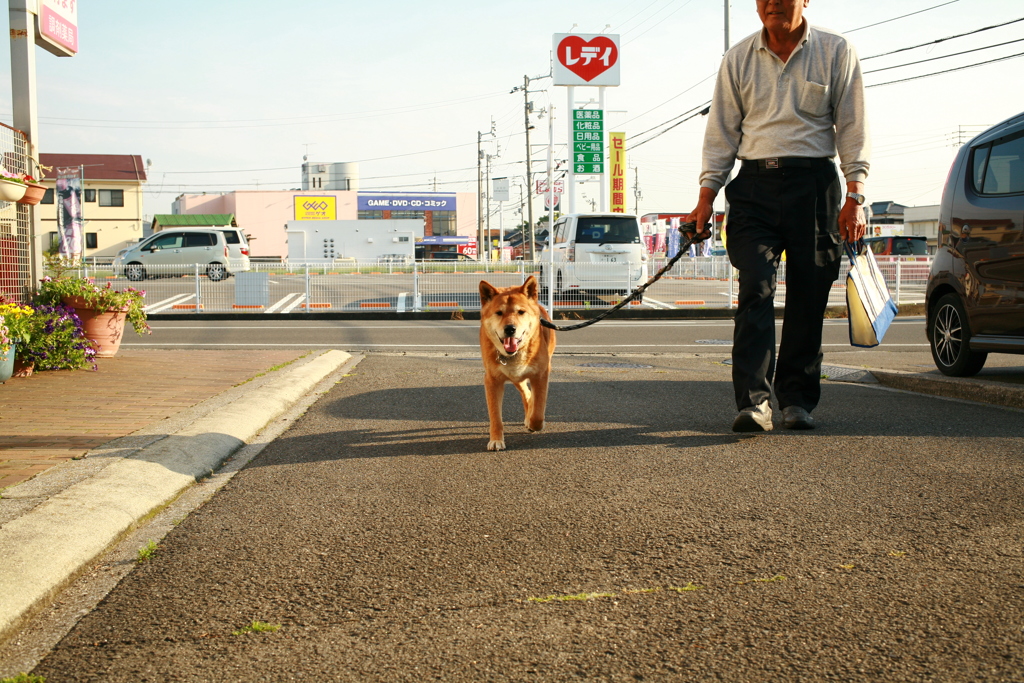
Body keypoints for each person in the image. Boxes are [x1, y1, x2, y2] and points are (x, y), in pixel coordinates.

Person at [686, 0, 869, 432]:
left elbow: (853, 125)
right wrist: (705, 196)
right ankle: (754, 402)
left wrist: (856, 194)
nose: (772, 3)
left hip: (815, 184)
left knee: (810, 294)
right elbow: (722, 132)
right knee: (756, 286)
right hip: (753, 187)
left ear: (805, 0)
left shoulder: (836, 50)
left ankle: (797, 399)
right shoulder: (738, 58)